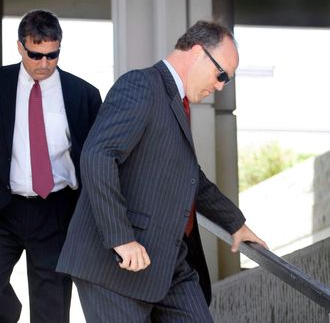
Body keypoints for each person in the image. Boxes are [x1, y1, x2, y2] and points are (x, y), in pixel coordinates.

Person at [57, 20, 267, 322]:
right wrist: (121, 238)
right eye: (221, 74)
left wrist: (235, 223)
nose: (220, 86)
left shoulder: (177, 102)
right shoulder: (141, 85)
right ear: (197, 53)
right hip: (116, 265)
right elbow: (98, 155)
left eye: (227, 81)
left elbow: (188, 175)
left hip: (168, 261)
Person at [0, 9, 102, 323]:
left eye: (52, 55)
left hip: (56, 211)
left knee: (51, 308)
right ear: (20, 46)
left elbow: (99, 158)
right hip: (4, 208)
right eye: (35, 55)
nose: (44, 64)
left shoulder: (82, 94)